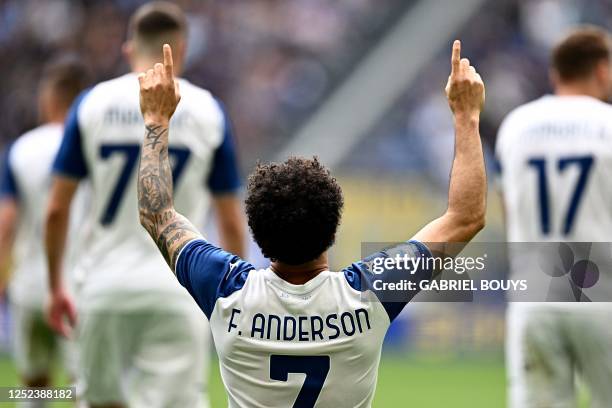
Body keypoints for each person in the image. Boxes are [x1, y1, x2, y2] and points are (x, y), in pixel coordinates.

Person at [136, 40, 485, 407]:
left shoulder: (226, 289)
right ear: (332, 231)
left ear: (258, 232)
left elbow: (156, 213)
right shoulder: (366, 296)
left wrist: (156, 120)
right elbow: (465, 217)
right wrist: (467, 116)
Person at [45, 2, 246, 407]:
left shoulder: (91, 103)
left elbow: (56, 210)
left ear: (128, 49)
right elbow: (230, 221)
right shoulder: (209, 110)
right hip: (180, 291)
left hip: (102, 286)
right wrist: (230, 298)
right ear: (183, 50)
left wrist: (55, 286)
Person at [497, 26, 612, 408]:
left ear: (555, 73)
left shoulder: (516, 126)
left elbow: (507, 208)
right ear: (601, 70)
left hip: (535, 293)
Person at [0, 58, 89, 401]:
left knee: (34, 387)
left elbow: (6, 222)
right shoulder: (91, 148)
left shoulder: (21, 149)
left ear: (50, 98)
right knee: (83, 387)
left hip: (28, 285)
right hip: (77, 286)